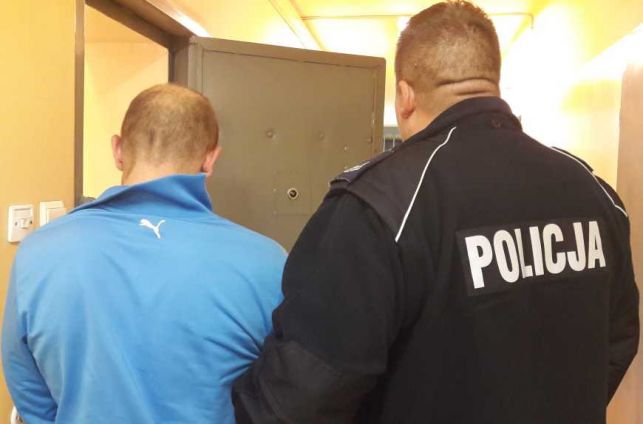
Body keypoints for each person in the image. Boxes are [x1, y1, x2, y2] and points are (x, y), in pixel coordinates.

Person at [232, 1, 640, 423]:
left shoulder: (382, 203)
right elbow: (618, 342)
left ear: (405, 96)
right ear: (492, 83)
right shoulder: (594, 193)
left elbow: (300, 398)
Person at [2, 84, 285, 423]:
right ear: (210, 160)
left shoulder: (39, 252)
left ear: (118, 149)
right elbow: (285, 395)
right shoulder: (267, 263)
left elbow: (31, 395)